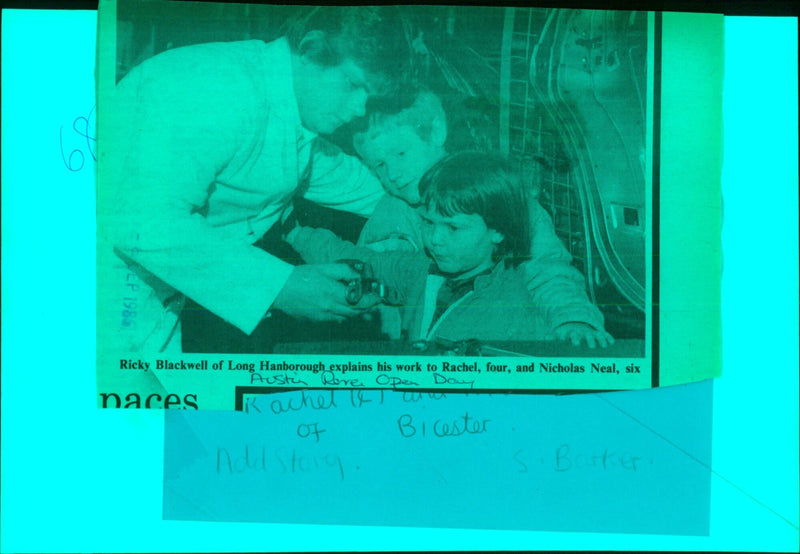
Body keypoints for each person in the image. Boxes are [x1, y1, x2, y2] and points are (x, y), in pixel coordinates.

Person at [98, 7, 408, 352]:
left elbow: (354, 182)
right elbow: (140, 222)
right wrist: (280, 287)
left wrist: (431, 201)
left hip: (157, 298)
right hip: (97, 293)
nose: (360, 110)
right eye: (352, 84)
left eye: (369, 95)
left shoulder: (287, 113)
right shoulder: (219, 88)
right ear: (309, 49)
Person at [350, 89, 613, 347]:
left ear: (437, 131)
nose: (393, 174)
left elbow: (548, 269)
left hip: (495, 337)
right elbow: (370, 283)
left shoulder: (497, 193)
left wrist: (573, 319)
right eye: (380, 165)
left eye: (400, 154)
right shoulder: (390, 212)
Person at [288, 152, 599, 344]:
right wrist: (296, 234)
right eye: (428, 223)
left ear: (498, 231)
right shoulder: (419, 271)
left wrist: (574, 321)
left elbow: (554, 276)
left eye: (452, 227)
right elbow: (357, 257)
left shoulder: (518, 306)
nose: (435, 238)